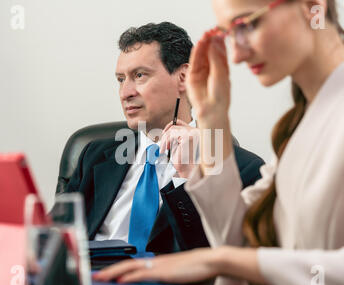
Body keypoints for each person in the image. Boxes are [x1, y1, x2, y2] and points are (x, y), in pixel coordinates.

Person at [94, 0, 344, 285]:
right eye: (228, 33)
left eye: (247, 24)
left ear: (313, 9)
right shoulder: (303, 123)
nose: (236, 54)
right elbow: (237, 241)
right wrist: (214, 119)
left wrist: (218, 260)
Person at [60, 22, 264, 255]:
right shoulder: (93, 156)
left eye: (139, 75)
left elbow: (216, 258)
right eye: (120, 79)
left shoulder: (243, 169)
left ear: (184, 78)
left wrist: (185, 178)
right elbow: (53, 238)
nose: (125, 92)